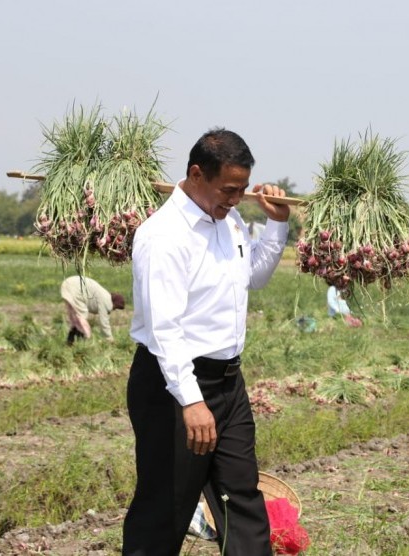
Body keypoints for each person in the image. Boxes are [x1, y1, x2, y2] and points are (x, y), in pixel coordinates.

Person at [124, 128, 290, 555]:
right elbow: (165, 330)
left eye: (241, 190)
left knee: (242, 498)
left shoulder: (229, 220)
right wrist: (191, 401)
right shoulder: (163, 236)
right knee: (166, 507)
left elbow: (253, 276)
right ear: (196, 174)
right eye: (228, 189)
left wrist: (276, 223)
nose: (235, 199)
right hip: (173, 386)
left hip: (228, 382)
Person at [59, 275, 125, 344]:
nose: (114, 310)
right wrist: (109, 338)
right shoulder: (107, 301)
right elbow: (104, 321)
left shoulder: (104, 296)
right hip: (75, 288)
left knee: (77, 319)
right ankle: (82, 341)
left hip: (69, 284)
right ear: (114, 304)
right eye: (116, 307)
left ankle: (70, 341)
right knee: (82, 317)